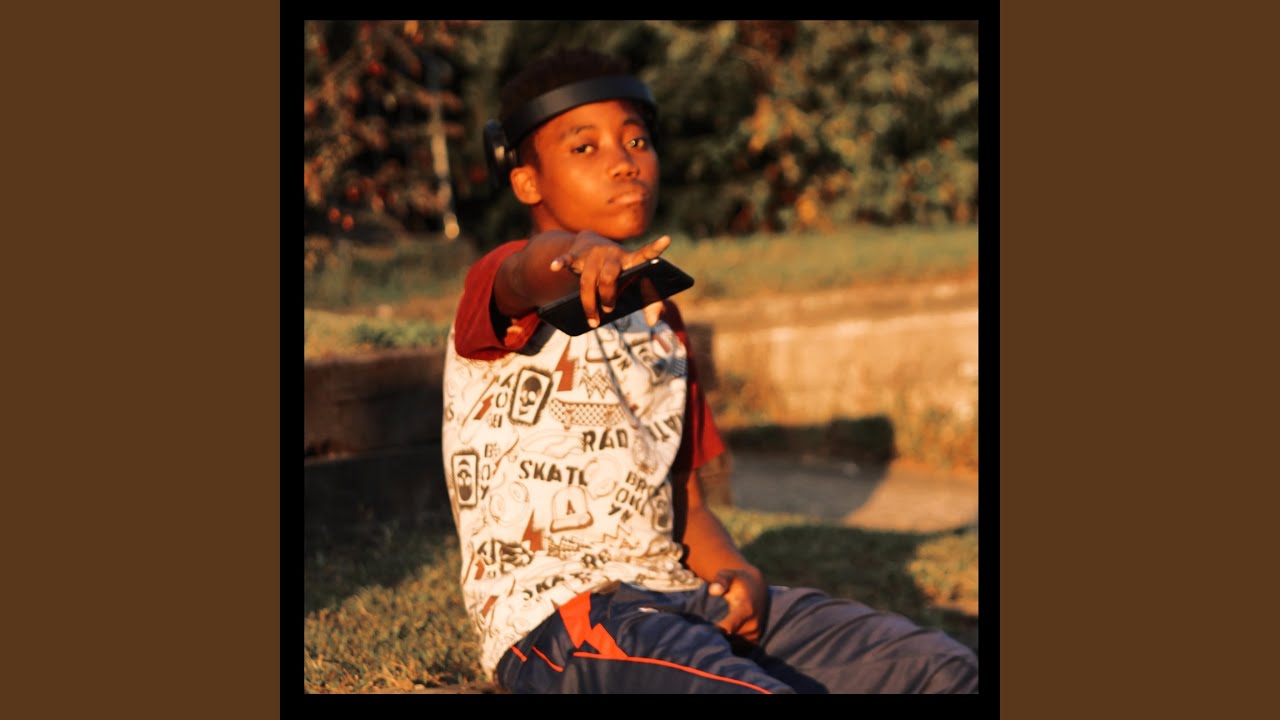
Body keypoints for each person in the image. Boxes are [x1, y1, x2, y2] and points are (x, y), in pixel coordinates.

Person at [440, 47, 978, 694]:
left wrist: (739, 574)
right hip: (566, 620)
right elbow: (529, 272)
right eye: (584, 148)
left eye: (636, 140)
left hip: (686, 599)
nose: (623, 160)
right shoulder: (505, 293)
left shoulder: (662, 322)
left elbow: (686, 504)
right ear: (527, 182)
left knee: (942, 668)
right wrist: (580, 251)